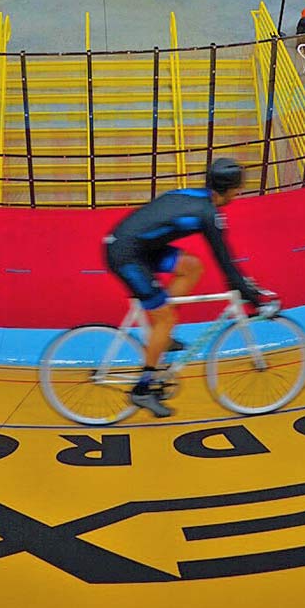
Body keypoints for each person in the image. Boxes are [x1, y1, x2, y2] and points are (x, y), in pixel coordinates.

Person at [103, 158, 263, 418]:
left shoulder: (197, 197)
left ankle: (160, 335)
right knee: (166, 318)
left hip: (136, 246)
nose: (239, 192)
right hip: (127, 256)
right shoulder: (207, 214)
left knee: (191, 266)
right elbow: (226, 263)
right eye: (237, 188)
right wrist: (252, 297)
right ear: (228, 189)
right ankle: (143, 389)